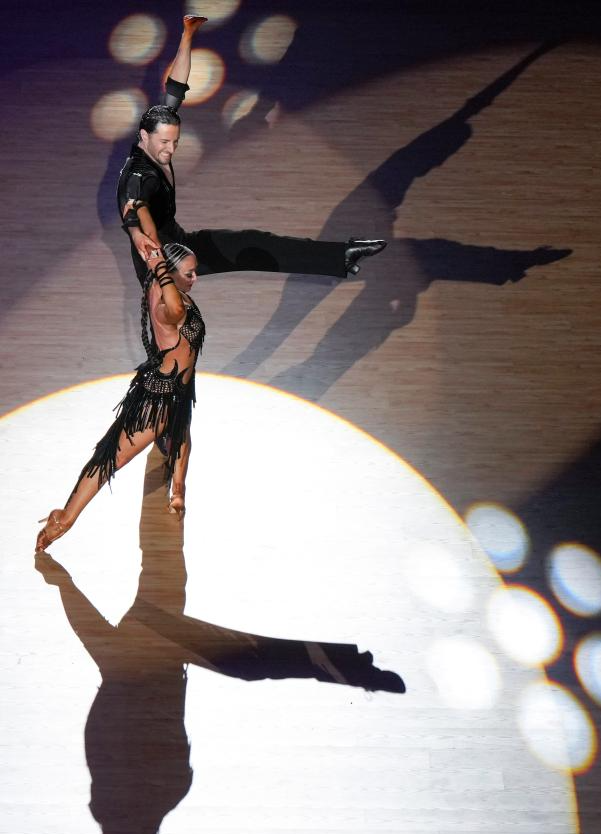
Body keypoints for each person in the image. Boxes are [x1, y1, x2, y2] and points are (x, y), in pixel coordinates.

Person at [119, 15, 386, 285]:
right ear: (145, 136)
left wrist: (187, 35)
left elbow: (175, 88)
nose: (170, 149)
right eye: (164, 143)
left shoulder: (157, 130)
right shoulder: (138, 176)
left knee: (252, 243)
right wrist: (138, 236)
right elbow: (132, 207)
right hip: (161, 262)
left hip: (180, 243)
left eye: (175, 142)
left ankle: (340, 257)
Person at [35, 243, 201, 552]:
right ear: (169, 273)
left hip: (179, 392)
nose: (195, 278)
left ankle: (178, 493)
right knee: (111, 459)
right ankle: (64, 518)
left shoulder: (170, 289)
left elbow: (147, 236)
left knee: (181, 436)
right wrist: (159, 265)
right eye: (189, 273)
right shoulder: (166, 305)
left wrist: (150, 249)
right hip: (158, 399)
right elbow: (178, 312)